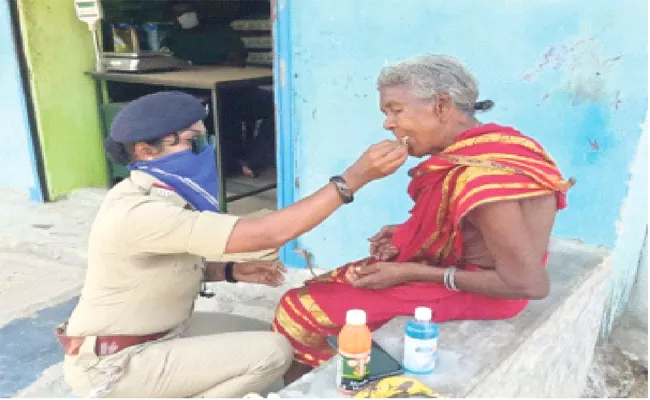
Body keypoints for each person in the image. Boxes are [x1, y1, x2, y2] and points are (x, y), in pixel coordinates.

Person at [58, 91, 408, 398]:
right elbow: (265, 234)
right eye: (192, 142)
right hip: (117, 363)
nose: (204, 150)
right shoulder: (138, 210)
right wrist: (352, 180)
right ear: (145, 150)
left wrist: (229, 271)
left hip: (165, 332)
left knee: (282, 336)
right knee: (271, 352)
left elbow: (157, 268)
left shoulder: (165, 195)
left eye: (205, 139)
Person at [272, 54, 575, 382]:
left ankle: (314, 387)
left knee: (299, 309)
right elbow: (473, 232)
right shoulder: (499, 145)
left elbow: (528, 284)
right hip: (479, 272)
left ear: (441, 106)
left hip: (492, 290)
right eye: (386, 113)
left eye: (395, 110)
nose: (388, 124)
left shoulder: (479, 178)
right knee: (351, 277)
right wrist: (406, 234)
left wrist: (410, 270)